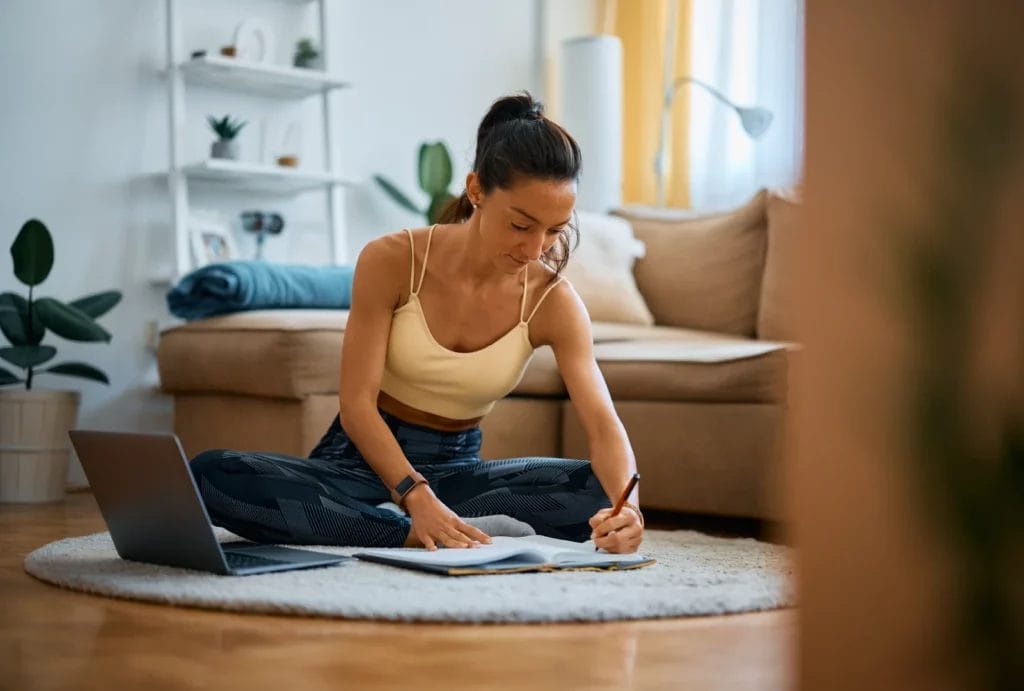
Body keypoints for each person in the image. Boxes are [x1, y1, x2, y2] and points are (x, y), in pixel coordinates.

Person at [189, 92, 645, 554]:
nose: (536, 249)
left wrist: (629, 509)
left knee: (599, 491)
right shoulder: (392, 259)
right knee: (213, 474)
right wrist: (413, 494)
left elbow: (605, 426)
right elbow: (357, 406)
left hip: (458, 476)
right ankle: (405, 529)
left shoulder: (554, 301)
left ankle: (398, 525)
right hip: (355, 466)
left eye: (554, 230)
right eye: (521, 225)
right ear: (476, 190)